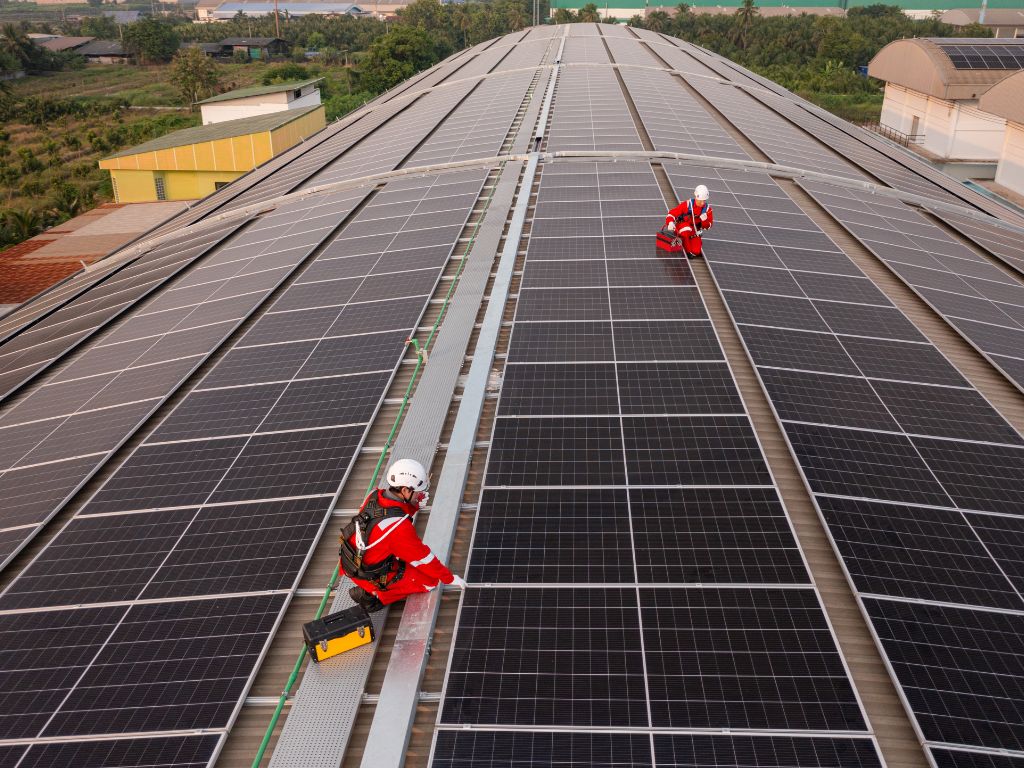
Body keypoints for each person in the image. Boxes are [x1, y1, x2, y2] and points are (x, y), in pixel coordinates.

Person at [340, 458, 466, 612]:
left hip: (353, 559)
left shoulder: (374, 495)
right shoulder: (398, 529)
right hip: (368, 574)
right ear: (405, 490)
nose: (421, 494)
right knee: (430, 581)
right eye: (417, 491)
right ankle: (373, 596)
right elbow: (422, 558)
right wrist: (449, 578)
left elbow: (390, 513)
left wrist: (412, 507)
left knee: (403, 558)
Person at [664, 184, 713, 257]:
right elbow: (672, 213)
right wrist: (670, 222)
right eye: (700, 201)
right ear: (696, 197)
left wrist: (705, 220)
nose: (702, 203)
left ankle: (688, 248)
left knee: (696, 252)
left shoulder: (707, 210)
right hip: (682, 227)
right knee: (686, 229)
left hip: (694, 231)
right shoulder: (687, 205)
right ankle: (685, 248)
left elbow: (708, 226)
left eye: (704, 201)